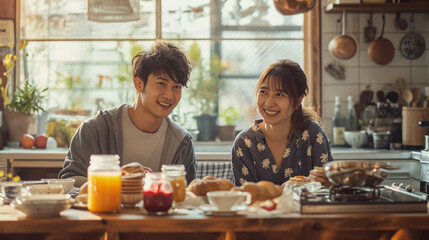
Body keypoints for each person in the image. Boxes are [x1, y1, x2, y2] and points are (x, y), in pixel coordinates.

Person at [59, 40, 196, 187]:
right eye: (161, 83)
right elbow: (69, 182)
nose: (169, 95)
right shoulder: (96, 129)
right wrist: (120, 181)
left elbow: (187, 197)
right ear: (138, 84)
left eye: (177, 86)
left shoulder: (182, 143)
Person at [232, 59, 333, 186]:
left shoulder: (312, 134)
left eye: (279, 94)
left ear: (298, 101)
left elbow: (326, 191)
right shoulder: (244, 143)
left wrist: (327, 182)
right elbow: (245, 198)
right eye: (263, 92)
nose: (269, 103)